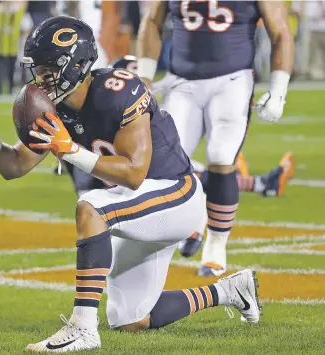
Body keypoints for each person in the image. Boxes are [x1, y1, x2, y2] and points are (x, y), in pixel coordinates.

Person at [0, 16, 261, 353]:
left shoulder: (120, 91)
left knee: (92, 207)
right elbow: (14, 166)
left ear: (73, 66)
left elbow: (134, 173)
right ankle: (231, 291)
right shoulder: (55, 107)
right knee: (128, 318)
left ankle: (83, 328)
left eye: (46, 70)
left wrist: (69, 149)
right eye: (38, 71)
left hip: (176, 194)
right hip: (141, 205)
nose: (40, 80)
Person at [55, 55, 296, 258]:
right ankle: (261, 184)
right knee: (192, 173)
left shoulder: (127, 101)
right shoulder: (96, 108)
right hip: (114, 188)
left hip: (139, 186)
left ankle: (258, 186)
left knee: (187, 172)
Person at [136, 1, 295, 276]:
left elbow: (280, 30)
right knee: (168, 163)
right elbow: (152, 21)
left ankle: (216, 245)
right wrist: (145, 77)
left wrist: (279, 89)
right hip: (181, 81)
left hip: (232, 80)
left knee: (222, 156)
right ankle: (193, 219)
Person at [0, 0, 31, 95]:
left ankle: (12, 89)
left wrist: (24, 43)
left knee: (13, 70)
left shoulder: (20, 10)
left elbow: (27, 27)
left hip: (14, 46)